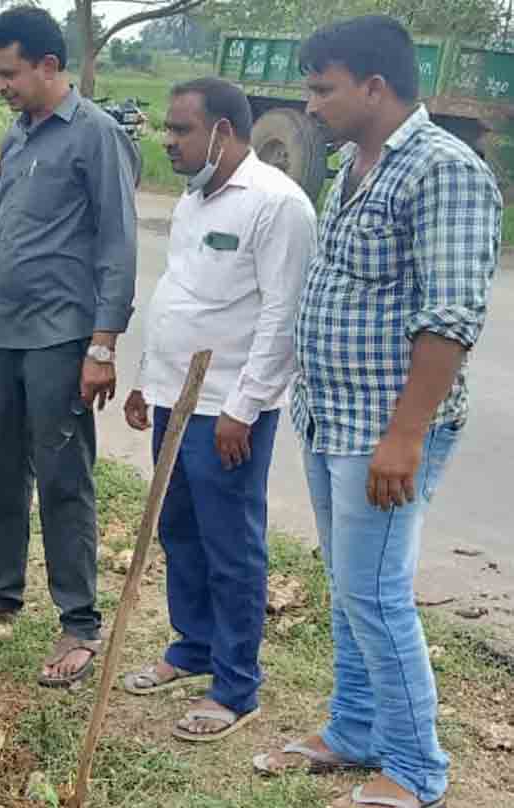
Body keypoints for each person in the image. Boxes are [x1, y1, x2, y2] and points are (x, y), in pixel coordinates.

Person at [250, 17, 502, 808]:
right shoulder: (358, 165)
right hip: (331, 416)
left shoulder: (442, 170)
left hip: (383, 430)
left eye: (322, 87)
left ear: (373, 86)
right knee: (346, 584)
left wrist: (404, 434)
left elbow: (449, 316)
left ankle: (416, 770)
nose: (309, 103)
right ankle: (353, 728)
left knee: (376, 594)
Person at [0, 7, 139, 689]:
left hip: (64, 336)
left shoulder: (96, 136)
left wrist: (103, 346)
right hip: (11, 330)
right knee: (1, 468)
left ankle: (78, 621)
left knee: (62, 480)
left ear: (48, 66)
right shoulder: (17, 136)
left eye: (9, 73)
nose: (1, 85)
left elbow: (116, 243)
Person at [121, 78, 316, 742]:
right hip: (175, 398)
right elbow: (183, 295)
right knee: (178, 530)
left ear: (222, 132)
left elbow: (280, 316)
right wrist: (148, 381)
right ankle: (191, 646)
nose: (166, 141)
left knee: (230, 545)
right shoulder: (191, 199)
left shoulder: (276, 205)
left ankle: (234, 687)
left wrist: (244, 407)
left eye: (178, 130)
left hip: (228, 410)